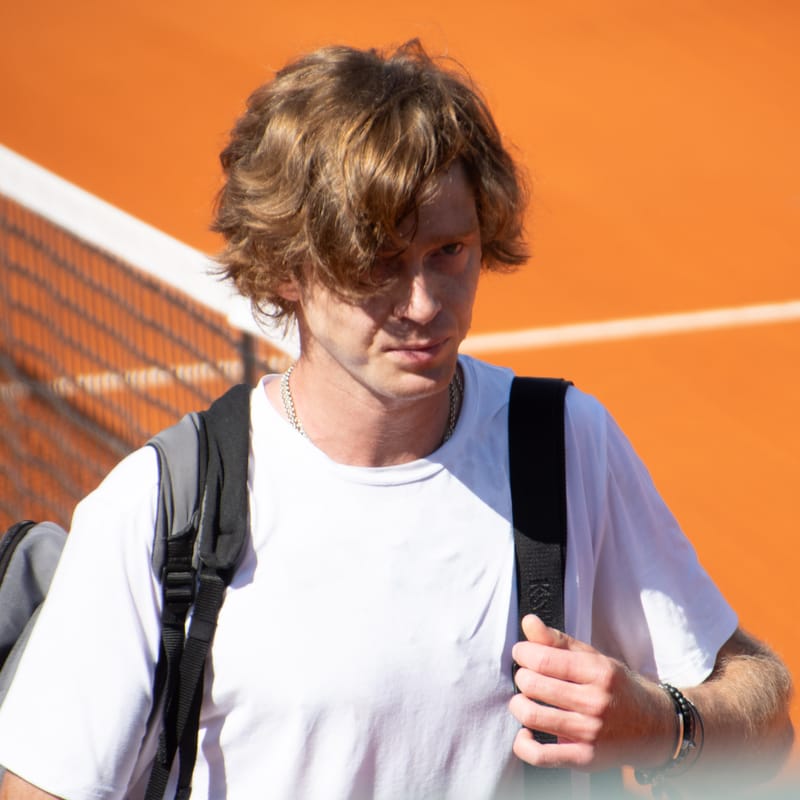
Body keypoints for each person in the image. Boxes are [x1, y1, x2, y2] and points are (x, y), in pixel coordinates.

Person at [0, 40, 793, 800]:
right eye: (377, 261)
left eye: (449, 251)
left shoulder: (564, 446)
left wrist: (664, 724)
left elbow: (765, 726)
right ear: (286, 269)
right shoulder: (160, 507)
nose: (424, 306)